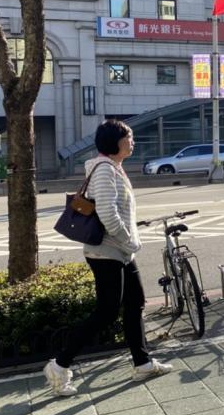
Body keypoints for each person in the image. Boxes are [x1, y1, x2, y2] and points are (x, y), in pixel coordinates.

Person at [43, 120, 171, 396]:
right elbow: (107, 213)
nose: (133, 141)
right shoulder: (104, 171)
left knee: (135, 303)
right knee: (106, 312)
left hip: (119, 250)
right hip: (107, 251)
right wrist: (129, 240)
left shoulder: (114, 168)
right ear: (115, 142)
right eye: (129, 137)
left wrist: (128, 242)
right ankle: (59, 365)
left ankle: (143, 362)